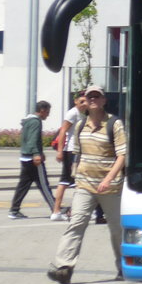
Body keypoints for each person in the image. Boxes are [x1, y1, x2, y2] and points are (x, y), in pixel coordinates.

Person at [46, 85, 126, 284]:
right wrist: (76, 177)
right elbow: (77, 154)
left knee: (117, 229)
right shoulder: (81, 126)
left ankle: (124, 267)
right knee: (76, 224)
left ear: (104, 100)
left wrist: (108, 179)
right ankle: (63, 267)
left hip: (110, 186)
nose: (92, 100)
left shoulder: (114, 124)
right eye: (89, 97)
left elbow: (122, 155)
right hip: (85, 185)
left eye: (97, 97)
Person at [9, 101, 57, 218]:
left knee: (23, 185)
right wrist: (37, 154)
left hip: (25, 157)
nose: (48, 115)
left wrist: (40, 152)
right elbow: (33, 139)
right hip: (32, 159)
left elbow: (28, 139)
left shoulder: (27, 121)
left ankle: (14, 210)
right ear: (42, 110)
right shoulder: (36, 122)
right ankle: (55, 209)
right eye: (47, 112)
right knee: (43, 185)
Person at [50, 92, 87, 221]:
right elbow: (63, 131)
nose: (84, 103)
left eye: (85, 101)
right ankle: (60, 211)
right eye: (81, 101)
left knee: (74, 181)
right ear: (76, 101)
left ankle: (66, 211)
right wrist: (60, 151)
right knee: (69, 181)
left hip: (78, 150)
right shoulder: (73, 113)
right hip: (71, 151)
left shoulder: (84, 114)